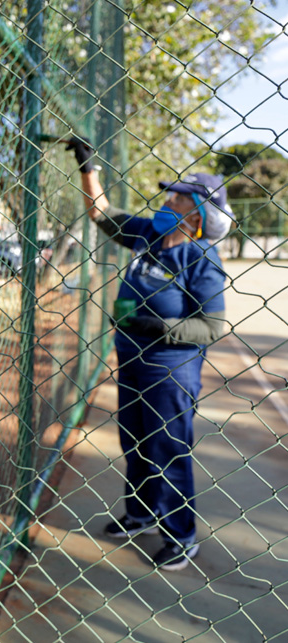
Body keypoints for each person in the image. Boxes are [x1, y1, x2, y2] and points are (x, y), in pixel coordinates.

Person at [68, 138, 233, 572]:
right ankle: (142, 514)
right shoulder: (150, 234)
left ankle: (181, 535)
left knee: (167, 448)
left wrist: (157, 326)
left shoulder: (201, 258)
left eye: (177, 195)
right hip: (132, 361)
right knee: (134, 442)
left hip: (170, 369)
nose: (168, 198)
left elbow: (212, 326)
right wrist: (89, 169)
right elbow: (102, 214)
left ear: (196, 210)